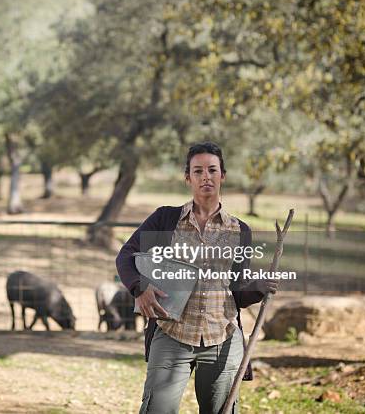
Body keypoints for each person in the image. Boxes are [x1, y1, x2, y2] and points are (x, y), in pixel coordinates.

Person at [116, 141, 279, 414]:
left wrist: (260, 288)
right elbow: (126, 256)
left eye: (212, 170)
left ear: (222, 176)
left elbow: (237, 293)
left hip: (222, 340)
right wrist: (139, 287)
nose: (206, 177)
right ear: (188, 178)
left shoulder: (240, 230)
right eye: (198, 171)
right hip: (172, 335)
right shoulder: (165, 220)